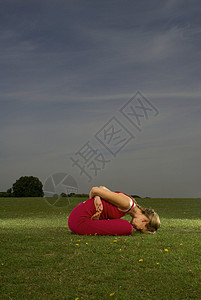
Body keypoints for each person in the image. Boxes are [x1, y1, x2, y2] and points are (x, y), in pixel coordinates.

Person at [68, 186, 160, 236]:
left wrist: (98, 197)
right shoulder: (127, 203)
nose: (137, 229)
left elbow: (103, 188)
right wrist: (95, 197)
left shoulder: (129, 206)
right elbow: (95, 189)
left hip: (78, 219)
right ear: (145, 220)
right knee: (128, 228)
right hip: (80, 221)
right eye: (140, 228)